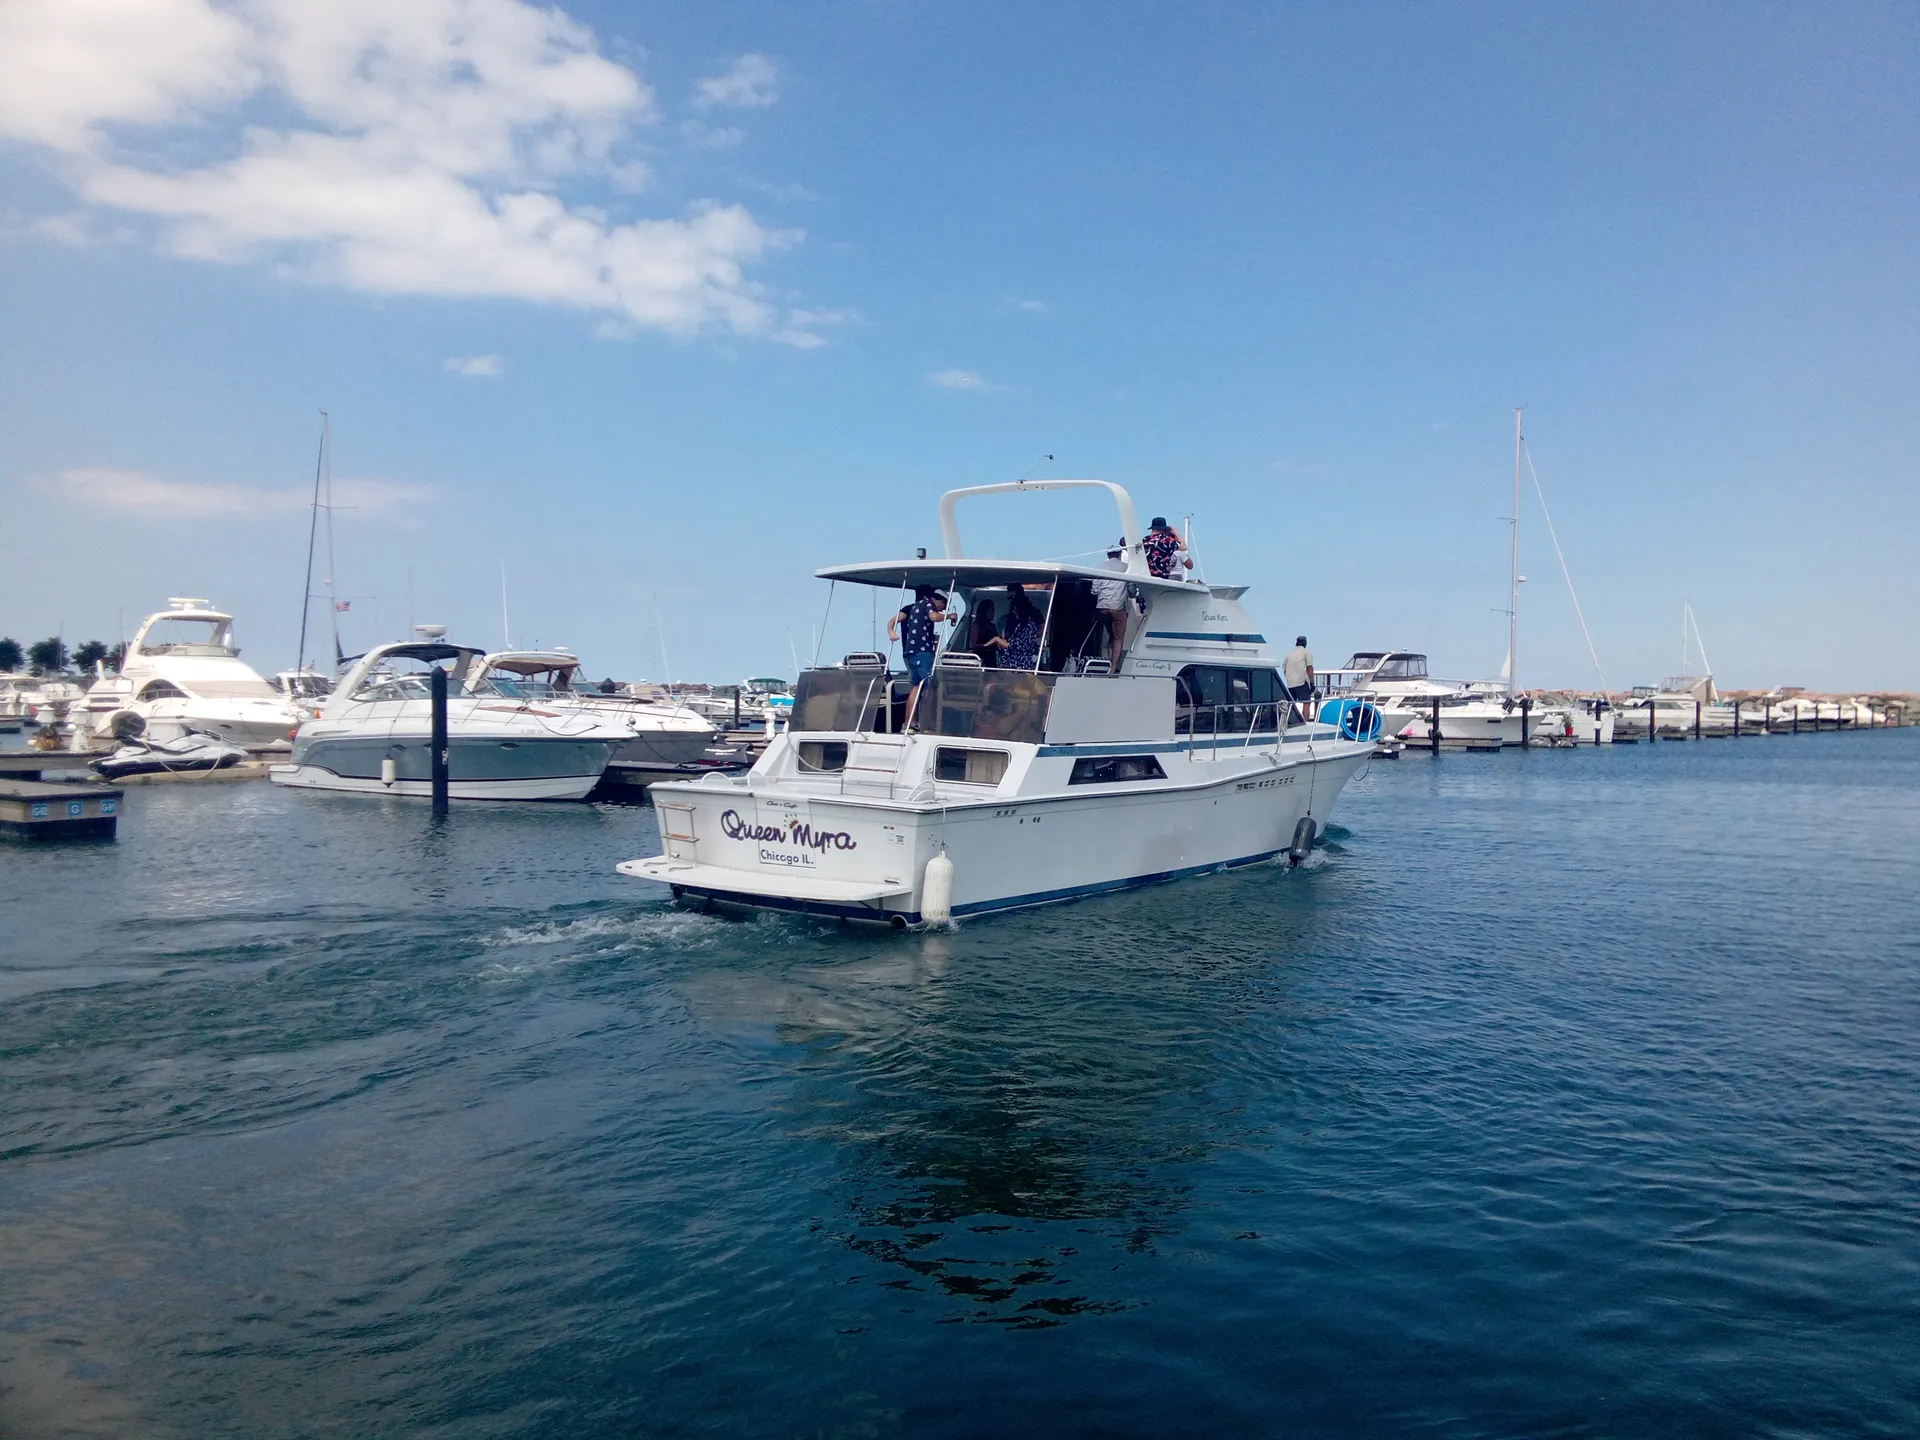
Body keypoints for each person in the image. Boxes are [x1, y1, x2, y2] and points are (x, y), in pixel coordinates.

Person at [887, 585, 948, 728]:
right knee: (928, 686)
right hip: (918, 652)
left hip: (910, 651)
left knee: (916, 686)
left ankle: (910, 722)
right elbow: (893, 621)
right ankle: (927, 721)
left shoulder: (917, 608)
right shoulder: (914, 609)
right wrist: (891, 631)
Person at [1089, 547, 1130, 670]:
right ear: (1119, 554)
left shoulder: (1100, 566)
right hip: (1117, 608)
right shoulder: (1126, 567)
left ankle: (1104, 663)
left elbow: (1094, 591)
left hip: (1102, 607)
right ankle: (1113, 667)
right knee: (1118, 639)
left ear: (1108, 555)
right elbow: (1132, 589)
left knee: (1107, 637)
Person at [1001, 586, 1043, 671]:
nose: (1011, 601)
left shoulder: (1030, 622)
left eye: (1012, 597)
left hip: (1021, 664)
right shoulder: (1016, 620)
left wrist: (1031, 637)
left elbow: (1017, 644)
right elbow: (1008, 634)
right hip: (1012, 662)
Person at [969, 598, 1009, 667]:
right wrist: (987, 645)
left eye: (994, 610)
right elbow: (974, 645)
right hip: (980, 658)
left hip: (991, 658)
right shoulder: (977, 625)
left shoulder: (992, 626)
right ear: (984, 611)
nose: (993, 613)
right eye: (991, 610)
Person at [1283, 635, 1315, 717]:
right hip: (1301, 682)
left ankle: (1288, 722)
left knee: (1290, 705)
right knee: (1307, 703)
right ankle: (1305, 722)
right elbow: (1309, 667)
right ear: (1305, 643)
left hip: (1290, 684)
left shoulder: (1289, 654)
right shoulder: (1306, 652)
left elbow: (1284, 670)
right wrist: (1312, 683)